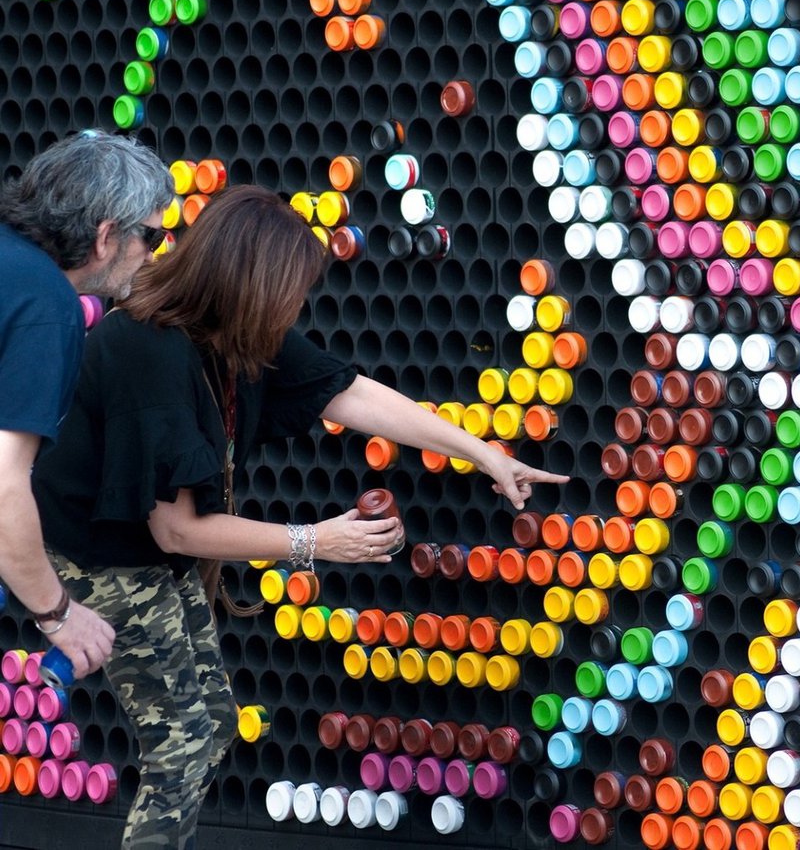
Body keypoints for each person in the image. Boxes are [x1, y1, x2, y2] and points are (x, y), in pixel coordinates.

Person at [33, 184, 568, 848]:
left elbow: (350, 393)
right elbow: (178, 528)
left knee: (214, 726)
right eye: (289, 291)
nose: (295, 307)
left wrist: (483, 453)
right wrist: (315, 541)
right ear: (252, 283)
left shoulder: (230, 327)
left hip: (152, 548)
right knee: (181, 748)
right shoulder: (148, 350)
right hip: (99, 554)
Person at [0, 130, 174, 680]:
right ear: (105, 236)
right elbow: (2, 484)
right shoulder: (48, 305)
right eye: (151, 235)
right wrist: (58, 614)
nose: (155, 252)